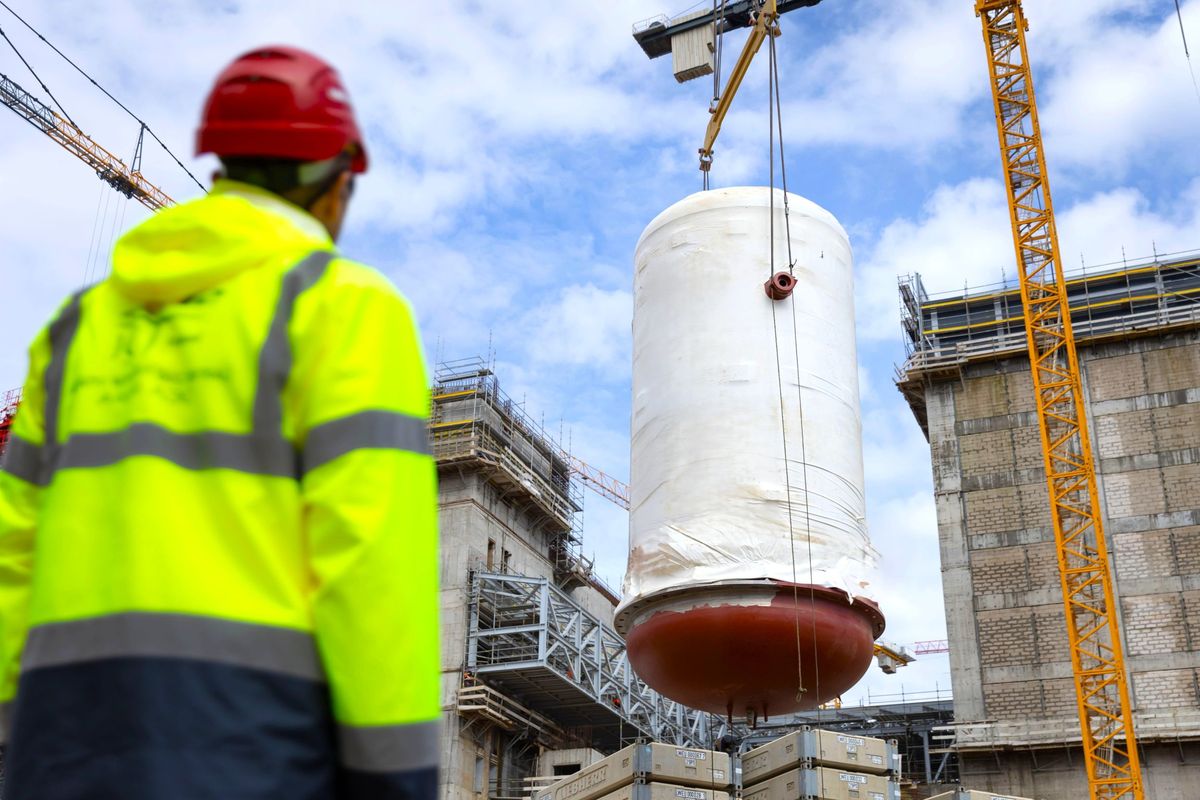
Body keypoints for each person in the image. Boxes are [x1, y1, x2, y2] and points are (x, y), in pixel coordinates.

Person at [0, 45, 439, 799]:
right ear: (338, 183)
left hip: (57, 753)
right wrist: (395, 780)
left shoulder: (75, 331)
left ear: (219, 168)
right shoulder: (345, 310)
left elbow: (13, 558)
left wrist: (21, 741)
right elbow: (371, 574)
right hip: (253, 751)